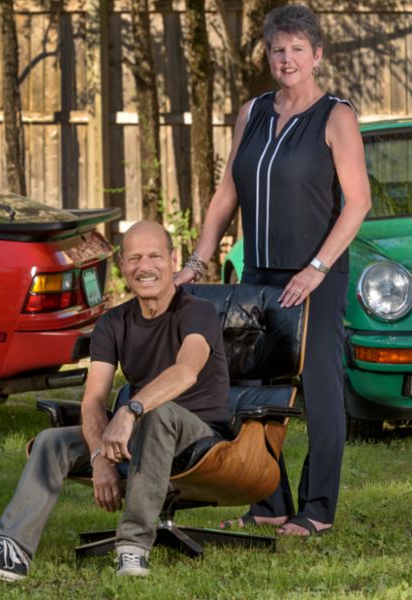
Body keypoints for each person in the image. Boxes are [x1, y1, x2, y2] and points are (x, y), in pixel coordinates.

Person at [175, 4, 371, 536]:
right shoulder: (253, 111)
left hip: (316, 277)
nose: (286, 59)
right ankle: (270, 501)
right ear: (268, 55)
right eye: (277, 49)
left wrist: (316, 268)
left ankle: (318, 510)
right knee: (255, 390)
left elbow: (357, 203)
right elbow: (226, 194)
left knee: (320, 389)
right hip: (256, 273)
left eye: (297, 50)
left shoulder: (337, 115)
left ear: (317, 56)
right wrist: (197, 259)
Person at [0, 221, 231, 581]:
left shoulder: (198, 311)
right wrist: (98, 456)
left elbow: (186, 371)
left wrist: (131, 409)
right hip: (141, 430)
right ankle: (11, 551)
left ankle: (133, 548)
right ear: (122, 266)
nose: (145, 266)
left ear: (172, 259)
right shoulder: (113, 322)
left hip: (200, 433)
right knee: (51, 441)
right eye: (134, 258)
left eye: (154, 256)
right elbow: (93, 399)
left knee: (158, 414)